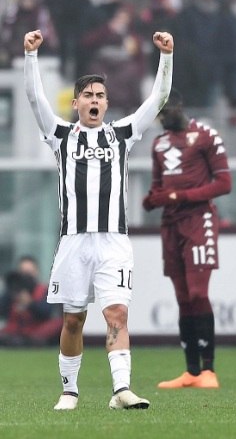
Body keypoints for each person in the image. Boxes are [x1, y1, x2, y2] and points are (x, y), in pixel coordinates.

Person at [24, 28, 173, 410]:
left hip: (113, 241)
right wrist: (30, 55)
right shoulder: (60, 134)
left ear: (107, 103)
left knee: (117, 312)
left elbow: (157, 99)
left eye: (100, 96)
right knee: (73, 320)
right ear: (76, 103)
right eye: (88, 95)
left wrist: (166, 56)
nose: (95, 100)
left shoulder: (122, 134)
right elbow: (34, 97)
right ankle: (69, 391)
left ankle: (121, 390)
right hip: (74, 241)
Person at [142, 89, 232, 389]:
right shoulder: (159, 143)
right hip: (171, 224)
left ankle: (209, 370)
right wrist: (152, 200)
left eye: (164, 112)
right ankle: (191, 371)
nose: (161, 120)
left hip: (198, 220)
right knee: (182, 298)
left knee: (197, 293)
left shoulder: (206, 135)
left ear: (178, 106)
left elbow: (224, 183)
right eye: (157, 115)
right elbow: (158, 186)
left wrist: (180, 196)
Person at [0, 257, 62, 346]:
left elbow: (46, 312)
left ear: (36, 272)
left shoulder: (44, 290)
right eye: (24, 273)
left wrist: (30, 303)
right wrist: (11, 295)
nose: (27, 276)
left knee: (59, 323)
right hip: (14, 330)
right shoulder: (12, 290)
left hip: (37, 329)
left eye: (29, 273)